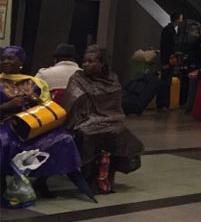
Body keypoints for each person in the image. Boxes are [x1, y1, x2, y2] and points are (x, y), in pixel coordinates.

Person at [0, 46, 94, 201]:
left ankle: (43, 180)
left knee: (62, 139)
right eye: (3, 59)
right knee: (3, 142)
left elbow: (47, 107)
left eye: (10, 58)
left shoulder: (36, 82)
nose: (5, 61)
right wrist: (7, 107)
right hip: (5, 124)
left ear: (21, 62)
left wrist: (36, 101)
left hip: (34, 125)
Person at [63, 46, 144, 192]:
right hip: (85, 119)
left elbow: (115, 105)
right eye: (84, 61)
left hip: (109, 119)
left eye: (91, 61)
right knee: (87, 134)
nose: (86, 64)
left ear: (102, 64)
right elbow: (71, 103)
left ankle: (108, 175)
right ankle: (88, 177)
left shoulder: (112, 80)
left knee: (120, 132)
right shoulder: (78, 78)